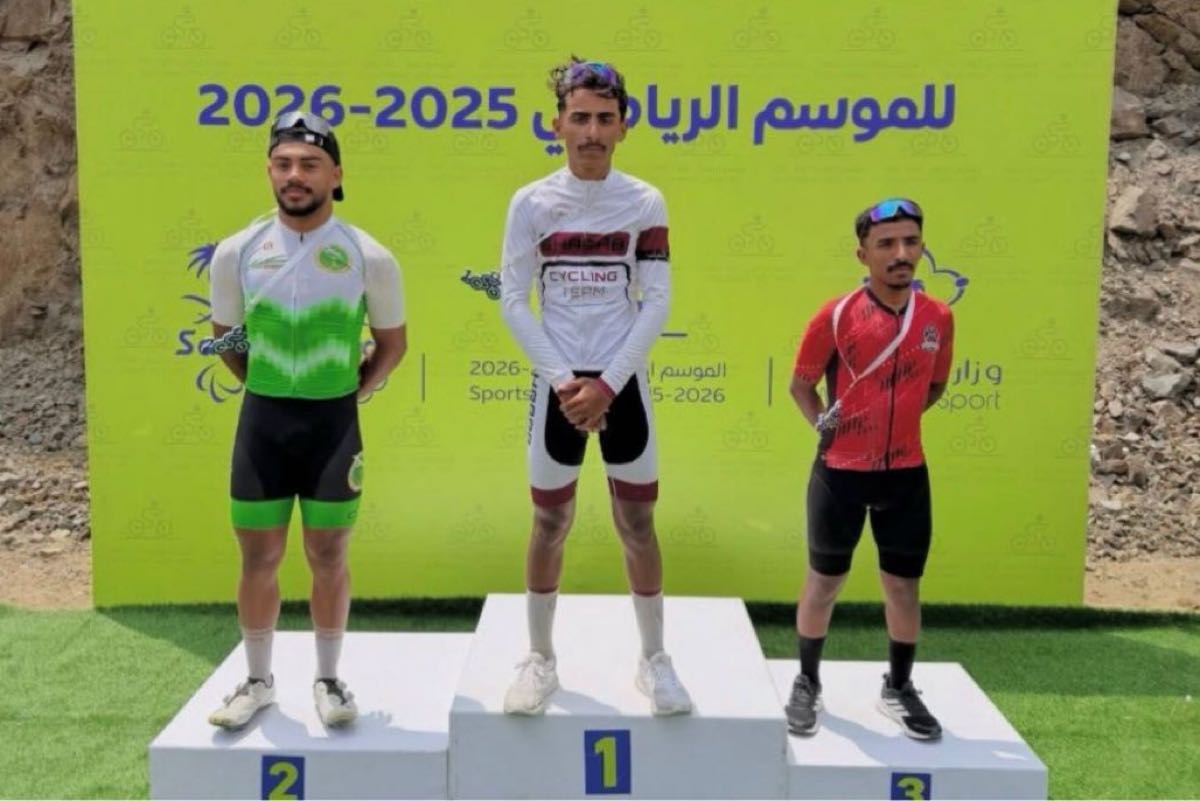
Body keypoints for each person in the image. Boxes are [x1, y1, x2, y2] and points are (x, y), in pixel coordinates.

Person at [498, 57, 691, 716]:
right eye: (579, 117)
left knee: (636, 522)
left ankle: (654, 659)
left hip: (621, 382)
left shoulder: (645, 201)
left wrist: (607, 385)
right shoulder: (530, 202)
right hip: (557, 383)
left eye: (605, 119)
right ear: (556, 124)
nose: (591, 132)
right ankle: (540, 659)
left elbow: (656, 301)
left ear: (623, 126)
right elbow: (512, 300)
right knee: (549, 520)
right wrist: (564, 382)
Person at [205, 112, 407, 729]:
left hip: (332, 428)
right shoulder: (236, 252)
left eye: (310, 164)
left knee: (328, 554)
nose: (295, 175)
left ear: (336, 175)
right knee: (258, 558)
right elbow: (226, 336)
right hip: (262, 425)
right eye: (284, 163)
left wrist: (352, 389)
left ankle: (329, 680)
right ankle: (257, 681)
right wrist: (264, 383)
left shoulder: (369, 255)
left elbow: (392, 343)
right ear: (269, 171)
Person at [785, 198, 953, 740]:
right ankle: (807, 680)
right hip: (840, 472)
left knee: (903, 589)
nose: (901, 253)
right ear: (863, 254)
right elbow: (800, 386)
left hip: (906, 474)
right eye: (886, 244)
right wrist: (826, 425)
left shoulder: (938, 317)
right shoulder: (835, 315)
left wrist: (895, 426)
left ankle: (898, 687)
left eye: (911, 242)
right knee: (824, 583)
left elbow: (935, 386)